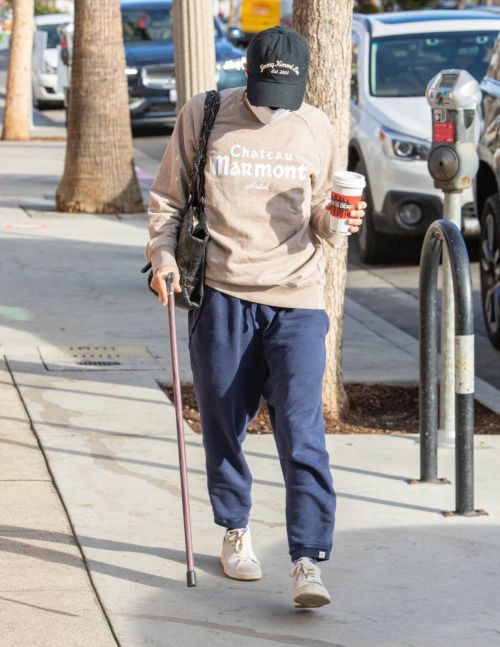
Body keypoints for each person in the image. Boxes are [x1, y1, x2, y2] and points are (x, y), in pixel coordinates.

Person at [145, 25, 366, 608]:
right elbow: (168, 197)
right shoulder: (207, 112)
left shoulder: (315, 125)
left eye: (284, 100)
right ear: (248, 75)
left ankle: (307, 559)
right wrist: (162, 256)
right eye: (267, 95)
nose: (274, 109)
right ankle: (234, 526)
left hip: (296, 295)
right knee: (223, 419)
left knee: (302, 431)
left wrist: (335, 223)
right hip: (220, 293)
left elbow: (321, 207)